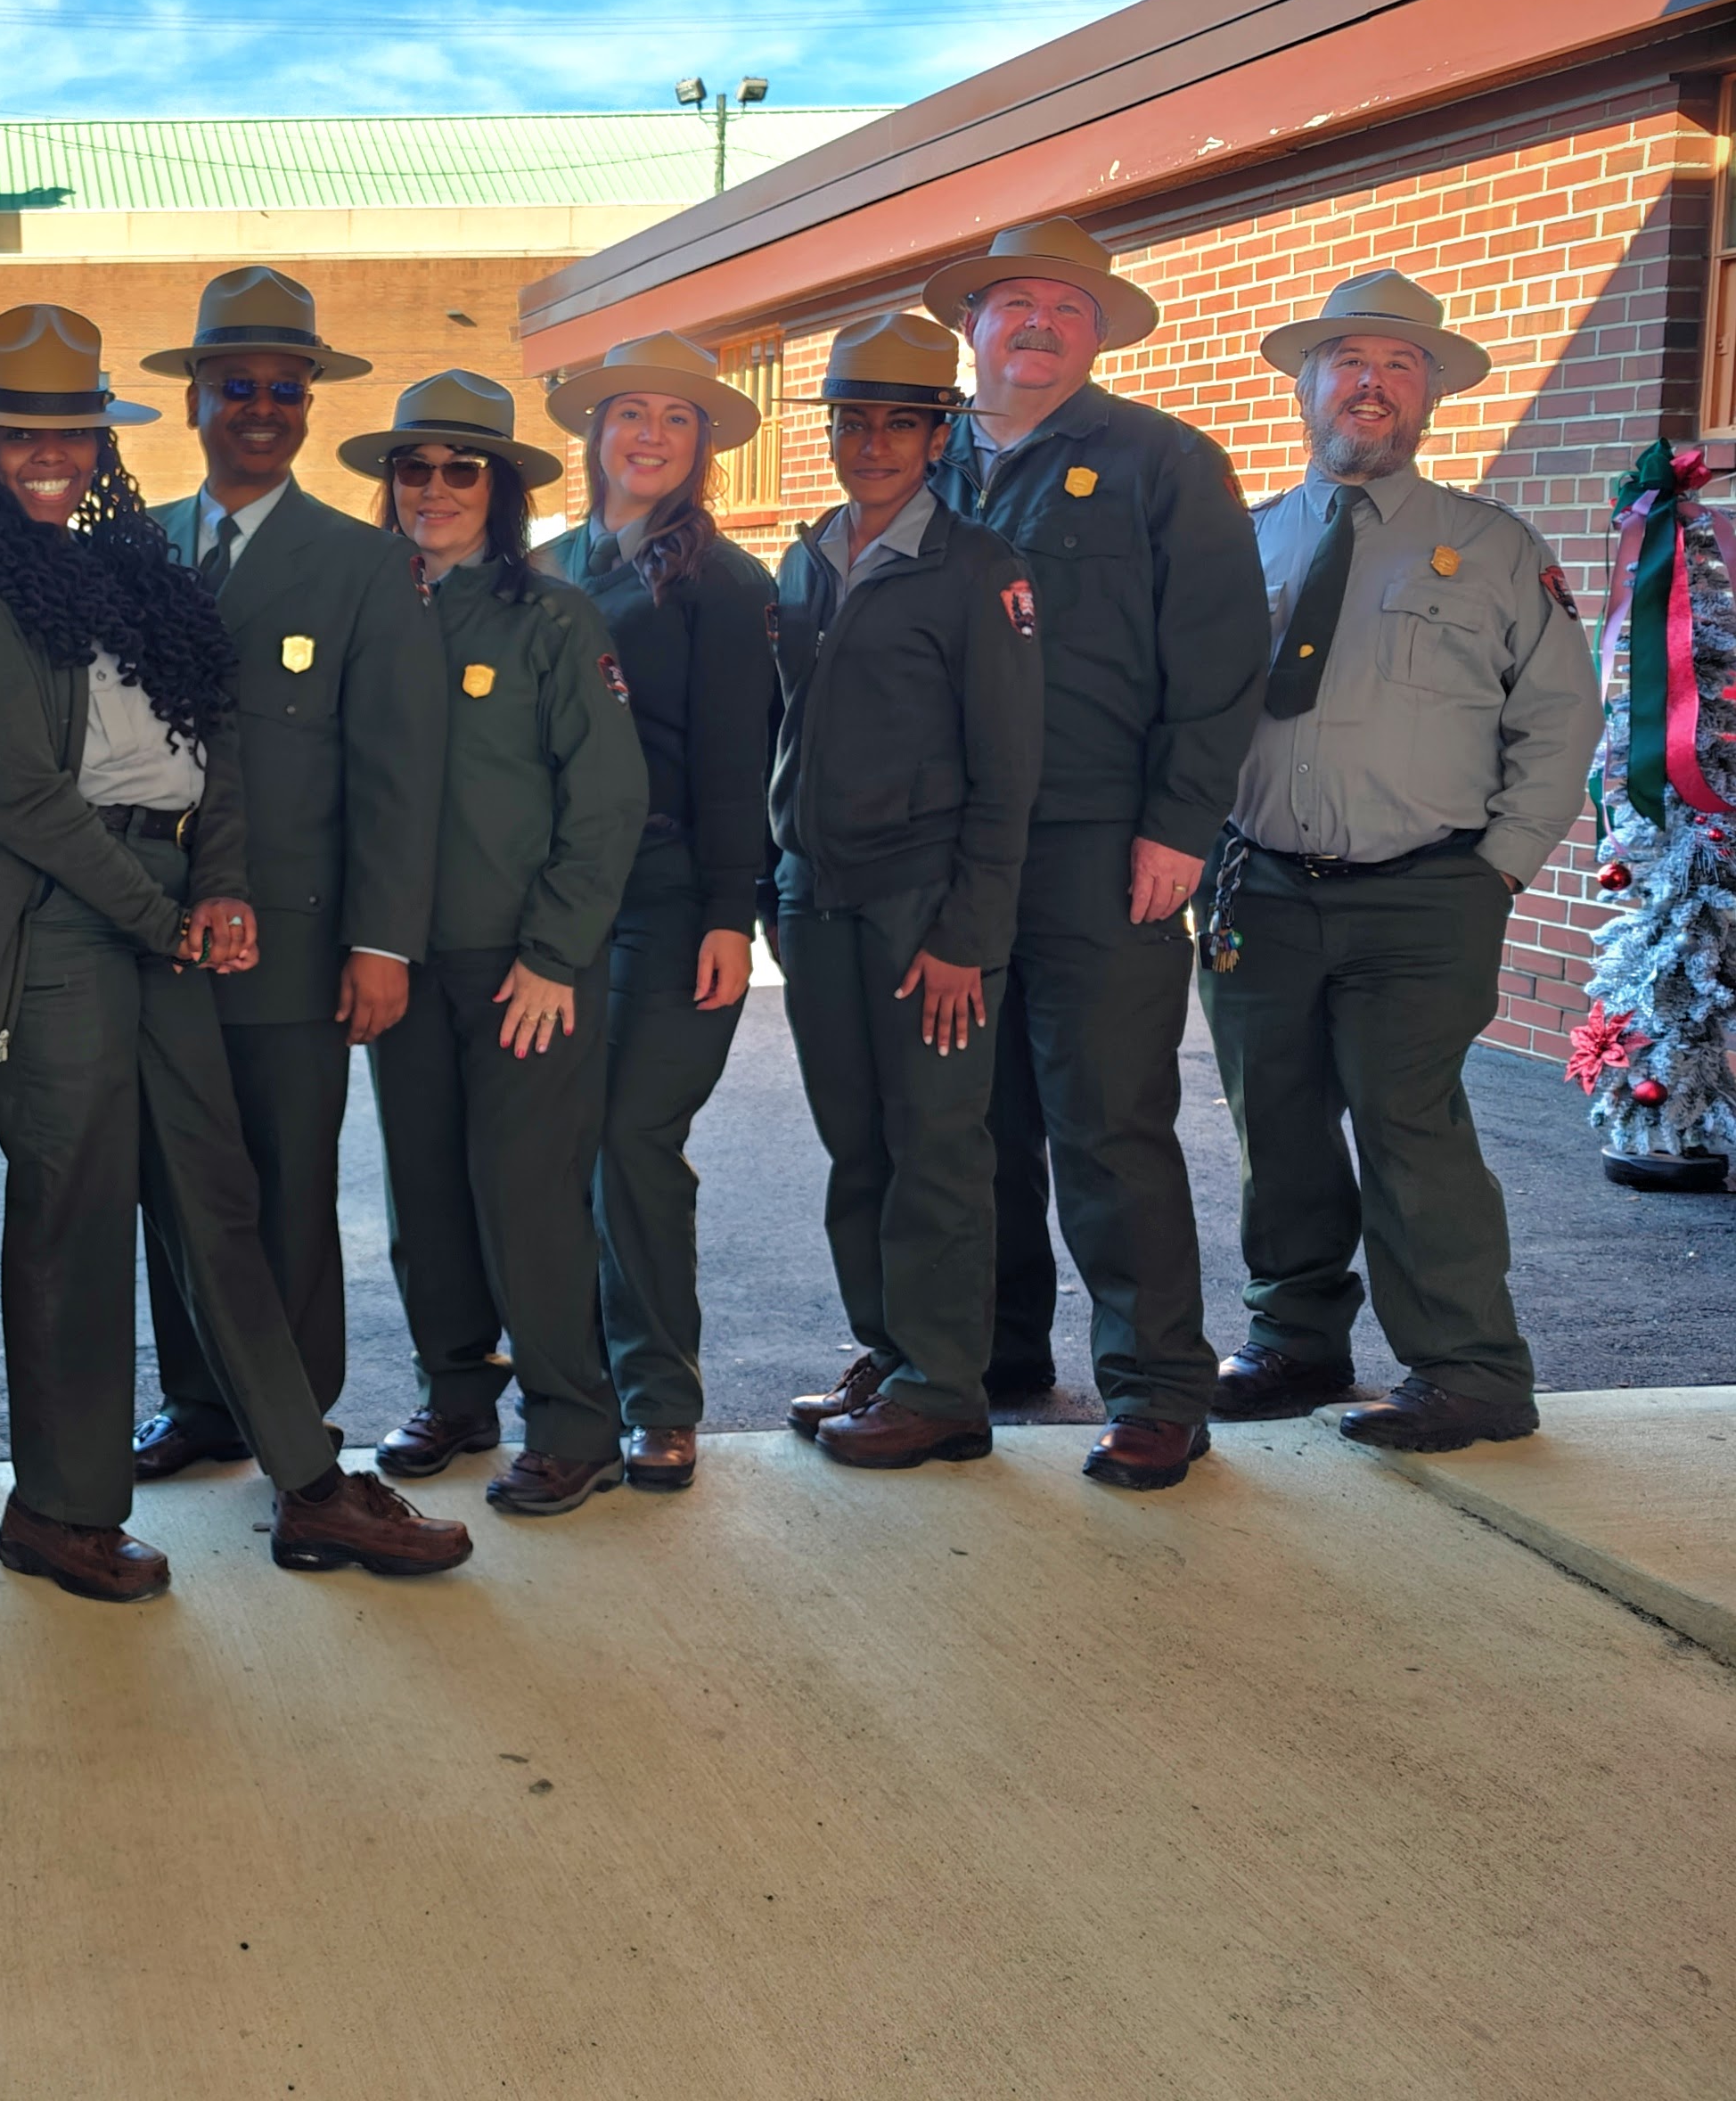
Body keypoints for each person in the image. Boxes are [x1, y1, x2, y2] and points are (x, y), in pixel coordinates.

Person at [0, 304, 470, 1599]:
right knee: (76, 1213)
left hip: (159, 905)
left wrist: (212, 887)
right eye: (20, 435)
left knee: (218, 1200)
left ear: (102, 444)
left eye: (73, 433)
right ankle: (58, 1511)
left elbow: (209, 741)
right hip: (52, 920)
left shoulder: (132, 573)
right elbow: (23, 800)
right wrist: (166, 919)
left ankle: (310, 1482)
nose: (50, 456)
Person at [1200, 271, 1597, 1449]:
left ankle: (1470, 1369)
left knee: (1407, 1123)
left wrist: (1500, 868)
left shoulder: (1494, 548)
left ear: (1428, 397)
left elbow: (1560, 718)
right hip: (1259, 890)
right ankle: (1294, 1341)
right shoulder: (1240, 546)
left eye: (1399, 365)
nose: (1370, 384)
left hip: (1427, 892)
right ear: (1305, 386)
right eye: (1348, 360)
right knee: (1276, 1127)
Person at [921, 217, 1263, 1489]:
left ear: (1099, 332)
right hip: (949, 852)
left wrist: (1179, 824)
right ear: (972, 325)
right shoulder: (921, 461)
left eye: (1068, 307)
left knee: (1109, 1119)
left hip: (1099, 844)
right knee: (967, 1118)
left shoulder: (1164, 462)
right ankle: (984, 1356)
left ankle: (1158, 1387)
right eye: (1015, 301)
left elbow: (1219, 658)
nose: (1040, 324)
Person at [127, 269, 443, 1481]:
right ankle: (200, 1401)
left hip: (298, 940)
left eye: (284, 390)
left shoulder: (364, 564)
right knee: (175, 1183)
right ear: (195, 398)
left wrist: (382, 941)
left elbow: (398, 771)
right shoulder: (137, 548)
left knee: (288, 1188)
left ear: (308, 406)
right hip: (156, 931)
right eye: (237, 385)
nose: (260, 408)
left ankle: (297, 1428)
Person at [340, 373, 650, 1514]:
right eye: (413, 469)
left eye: (460, 469)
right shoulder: (365, 611)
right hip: (398, 960)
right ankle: (456, 1393)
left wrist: (557, 954)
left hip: (522, 965)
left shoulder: (553, 618)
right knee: (424, 1193)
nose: (434, 488)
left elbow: (608, 799)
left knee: (528, 1200)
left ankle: (575, 1423)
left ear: (500, 488)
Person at [768, 315, 1046, 1471]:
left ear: (939, 438)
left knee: (935, 1145)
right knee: (857, 1145)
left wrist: (966, 934)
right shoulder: (806, 559)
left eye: (900, 423)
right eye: (853, 421)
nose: (872, 443)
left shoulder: (980, 570)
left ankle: (944, 1387)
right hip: (815, 899)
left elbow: (1008, 768)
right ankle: (888, 1354)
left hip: (924, 906)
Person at [533, 335, 781, 1492]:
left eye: (676, 419)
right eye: (629, 412)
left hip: (673, 899)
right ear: (595, 433)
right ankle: (566, 1391)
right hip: (551, 903)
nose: (649, 435)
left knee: (634, 1140)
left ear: (702, 448)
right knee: (556, 1147)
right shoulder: (540, 567)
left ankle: (660, 1401)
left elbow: (738, 763)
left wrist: (731, 912)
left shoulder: (726, 587)